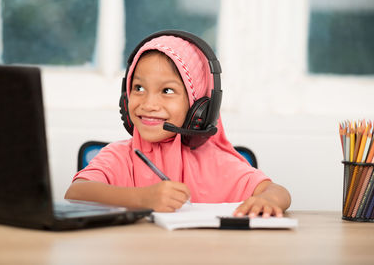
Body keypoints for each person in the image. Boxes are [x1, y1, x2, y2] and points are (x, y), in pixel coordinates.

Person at [65, 31, 291, 218]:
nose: (149, 104)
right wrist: (143, 199)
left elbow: (278, 192)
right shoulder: (120, 156)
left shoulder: (217, 162)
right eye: (139, 88)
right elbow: (76, 192)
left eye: (167, 91)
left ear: (199, 107)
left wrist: (267, 200)